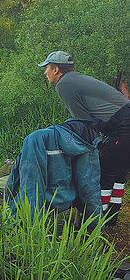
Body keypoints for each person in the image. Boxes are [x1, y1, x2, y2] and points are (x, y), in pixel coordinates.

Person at [38, 51, 130, 225]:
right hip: (122, 126)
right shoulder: (76, 78)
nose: (45, 72)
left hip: (122, 130)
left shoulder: (64, 84)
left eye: (47, 68)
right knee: (118, 174)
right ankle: (109, 220)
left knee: (102, 175)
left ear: (56, 69)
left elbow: (81, 122)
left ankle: (93, 224)